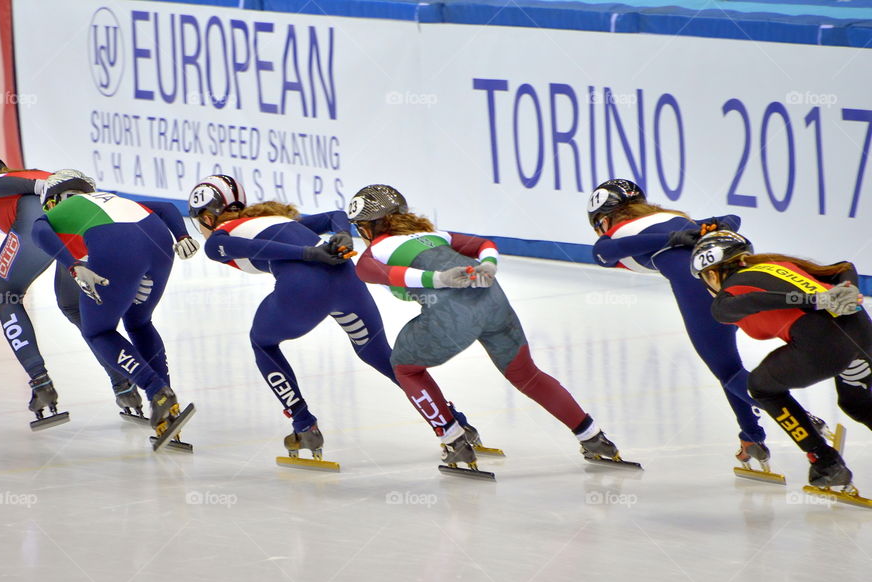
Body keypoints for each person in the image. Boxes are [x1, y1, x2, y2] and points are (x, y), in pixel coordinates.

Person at [350, 184, 634, 479]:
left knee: (405, 366)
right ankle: (594, 437)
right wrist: (489, 266)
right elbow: (485, 243)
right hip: (494, 301)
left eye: (361, 227)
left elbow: (369, 272)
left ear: (371, 225)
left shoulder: (378, 249)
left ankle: (454, 440)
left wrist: (437, 278)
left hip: (453, 314)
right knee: (528, 375)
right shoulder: (437, 235)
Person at [189, 175, 397, 470]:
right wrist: (342, 235)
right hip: (347, 280)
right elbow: (336, 216)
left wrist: (308, 254)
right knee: (380, 355)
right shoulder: (274, 219)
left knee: (262, 342)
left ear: (208, 217)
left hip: (304, 290)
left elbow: (251, 250)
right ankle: (452, 425)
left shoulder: (217, 242)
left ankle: (304, 425)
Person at [586, 179, 774, 477]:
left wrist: (678, 237)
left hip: (702, 288)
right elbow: (733, 219)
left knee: (728, 372)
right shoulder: (677, 219)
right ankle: (751, 436)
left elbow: (603, 253)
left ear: (604, 219)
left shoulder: (616, 234)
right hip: (746, 277)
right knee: (730, 370)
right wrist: (703, 228)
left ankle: (800, 417)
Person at [0, 154, 142, 428]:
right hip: (86, 219)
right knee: (74, 306)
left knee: (6, 295)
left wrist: (34, 188)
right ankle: (124, 386)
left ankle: (41, 382)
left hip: (35, 219)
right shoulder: (38, 172)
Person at [691, 230, 870, 503]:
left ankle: (825, 462)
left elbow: (748, 302)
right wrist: (849, 288)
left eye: (704, 278)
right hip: (862, 333)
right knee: (856, 404)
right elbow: (844, 268)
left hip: (823, 347)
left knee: (760, 387)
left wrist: (815, 301)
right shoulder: (780, 265)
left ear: (713, 274)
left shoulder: (726, 298)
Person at [30, 170, 196, 451]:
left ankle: (156, 391)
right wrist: (182, 235)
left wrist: (73, 264)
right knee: (139, 321)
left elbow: (38, 231)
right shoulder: (114, 199)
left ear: (55, 199)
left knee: (98, 331)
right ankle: (168, 408)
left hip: (116, 246)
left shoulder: (63, 209)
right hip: (159, 243)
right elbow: (167, 207)